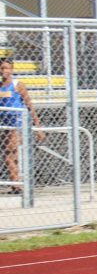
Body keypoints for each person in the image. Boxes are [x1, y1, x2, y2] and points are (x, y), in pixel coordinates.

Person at [0, 58, 45, 194]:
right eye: (2, 68)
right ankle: (16, 184)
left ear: (11, 70)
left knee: (9, 154)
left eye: (7, 68)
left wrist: (38, 127)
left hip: (16, 122)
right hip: (3, 123)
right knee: (9, 155)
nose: (4, 71)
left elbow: (29, 105)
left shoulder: (17, 85)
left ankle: (16, 185)